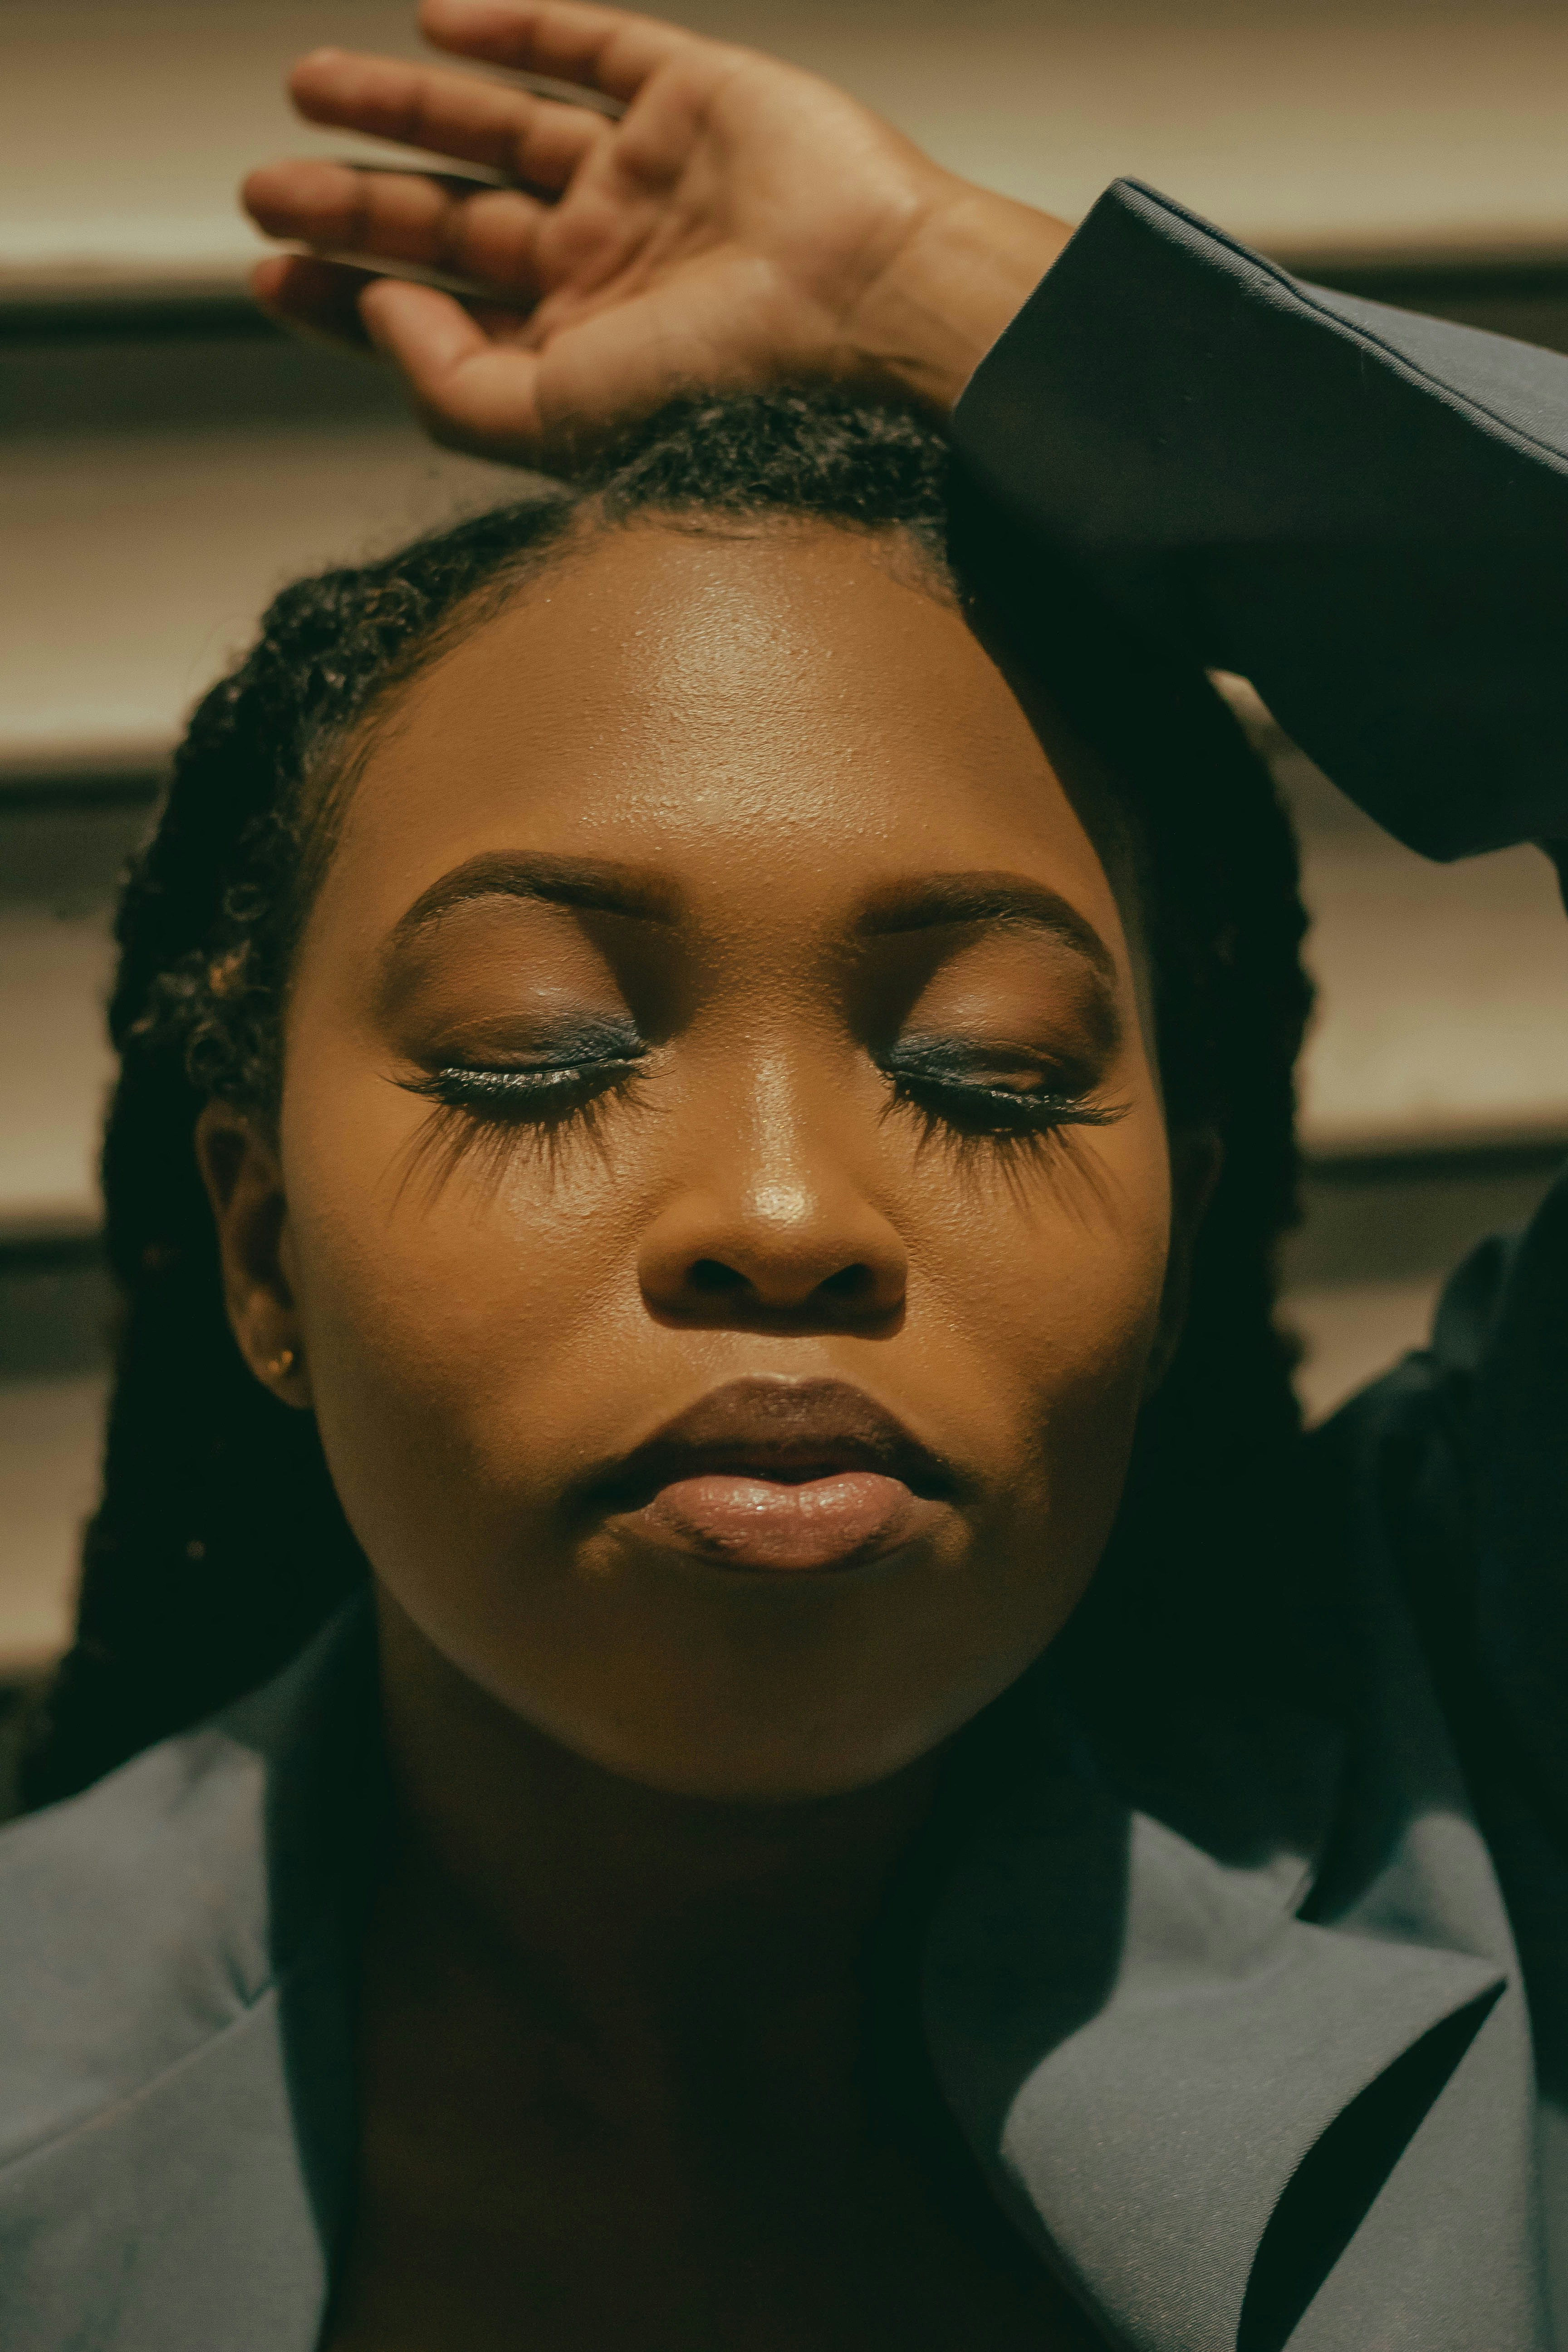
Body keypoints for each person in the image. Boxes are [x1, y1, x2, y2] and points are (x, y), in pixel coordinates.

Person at [2, 6, 1566, 2347]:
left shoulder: (1490, 1786)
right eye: (539, 1060)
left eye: (991, 1076)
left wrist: (936, 296)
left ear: (1176, 1233)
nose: (784, 1215)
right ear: (265, 1249)